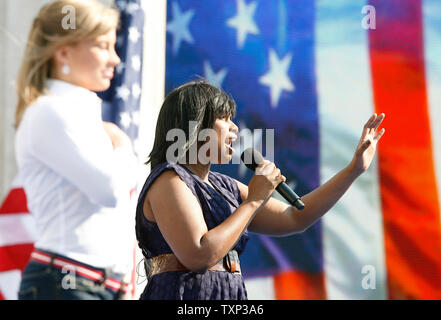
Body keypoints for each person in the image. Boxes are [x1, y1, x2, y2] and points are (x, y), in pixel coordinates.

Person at [135, 80, 386, 300]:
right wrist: (253, 201)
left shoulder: (225, 187)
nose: (234, 128)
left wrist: (353, 169)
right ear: (195, 127)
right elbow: (199, 255)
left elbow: (295, 217)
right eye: (224, 118)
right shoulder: (169, 180)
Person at [15, 0, 137, 300]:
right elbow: (109, 190)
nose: (116, 59)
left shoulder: (82, 116)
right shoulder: (48, 112)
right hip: (66, 282)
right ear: (63, 51)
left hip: (100, 284)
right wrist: (123, 145)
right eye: (102, 46)